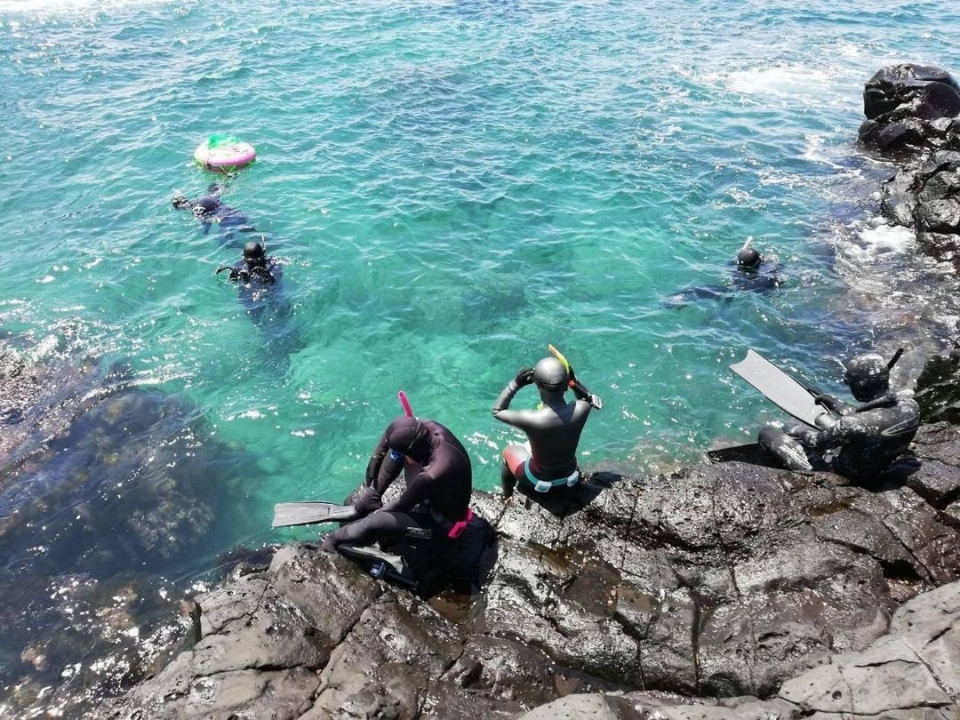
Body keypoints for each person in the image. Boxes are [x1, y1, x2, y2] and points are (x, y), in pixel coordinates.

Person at [757, 351, 920, 483]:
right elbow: (872, 415)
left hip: (842, 475)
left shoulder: (851, 424)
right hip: (881, 465)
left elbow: (816, 442)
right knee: (828, 423)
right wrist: (836, 404)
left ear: (860, 386)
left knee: (768, 433)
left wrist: (797, 430)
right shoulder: (911, 406)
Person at [321, 416, 474, 553]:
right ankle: (373, 497)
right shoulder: (428, 428)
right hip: (430, 495)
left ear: (415, 451)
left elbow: (399, 506)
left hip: (440, 528)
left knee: (377, 522)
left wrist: (340, 535)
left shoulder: (432, 474)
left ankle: (334, 539)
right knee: (398, 444)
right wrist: (376, 456)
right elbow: (396, 429)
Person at [492, 356, 601, 497]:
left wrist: (516, 383)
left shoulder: (532, 418)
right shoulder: (582, 409)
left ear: (537, 385)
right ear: (566, 385)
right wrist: (574, 381)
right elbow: (588, 398)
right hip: (571, 475)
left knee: (508, 451)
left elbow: (497, 411)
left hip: (537, 480)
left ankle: (506, 495)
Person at [662, 242, 782, 308]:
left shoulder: (732, 264)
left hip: (731, 286)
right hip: (748, 290)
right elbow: (775, 274)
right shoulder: (768, 270)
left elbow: (737, 258)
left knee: (700, 291)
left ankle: (675, 301)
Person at [171, 185, 256, 244]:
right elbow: (219, 191)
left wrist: (205, 231)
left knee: (224, 240)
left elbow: (205, 222)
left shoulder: (195, 208)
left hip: (226, 218)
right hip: (236, 212)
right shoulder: (203, 197)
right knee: (250, 231)